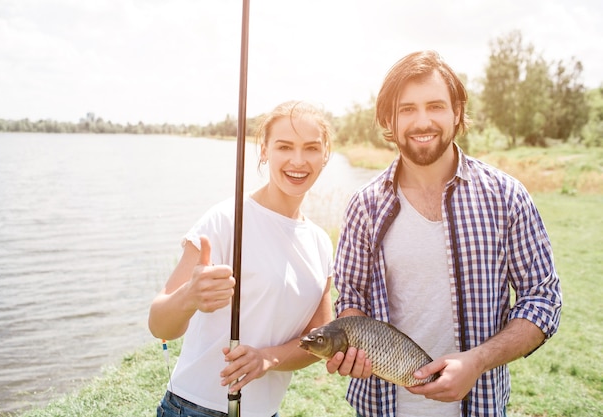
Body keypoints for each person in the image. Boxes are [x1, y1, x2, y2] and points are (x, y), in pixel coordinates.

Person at [325, 50, 562, 417]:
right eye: (407, 109)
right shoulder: (364, 206)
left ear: (456, 113)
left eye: (435, 106)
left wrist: (479, 361)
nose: (422, 121)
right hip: (381, 407)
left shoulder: (506, 196)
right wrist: (352, 346)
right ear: (390, 118)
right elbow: (351, 298)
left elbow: (543, 298)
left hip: (479, 406)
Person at [148, 100, 335, 417]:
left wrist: (269, 357)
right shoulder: (224, 219)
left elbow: (320, 339)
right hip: (193, 408)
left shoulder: (320, 242)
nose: (298, 160)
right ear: (264, 151)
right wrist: (189, 296)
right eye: (284, 147)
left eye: (311, 148)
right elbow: (159, 325)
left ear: (325, 155)